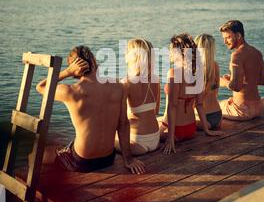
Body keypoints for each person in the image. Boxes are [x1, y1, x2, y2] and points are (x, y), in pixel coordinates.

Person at [35, 45, 145, 174]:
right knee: (64, 146)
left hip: (81, 161)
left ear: (75, 68)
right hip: (108, 158)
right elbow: (123, 124)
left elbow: (40, 87)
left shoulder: (71, 91)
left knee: (35, 154)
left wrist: (67, 72)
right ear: (94, 61)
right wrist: (129, 159)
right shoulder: (119, 87)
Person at [160, 33, 223, 155]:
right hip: (191, 129)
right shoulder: (198, 72)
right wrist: (207, 130)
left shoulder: (174, 72)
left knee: (148, 137)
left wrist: (170, 138)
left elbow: (172, 106)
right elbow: (199, 105)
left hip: (176, 131)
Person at [219, 20, 264, 121]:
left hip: (241, 111)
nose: (225, 42)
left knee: (212, 109)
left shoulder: (236, 55)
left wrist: (224, 82)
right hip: (258, 107)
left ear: (238, 35)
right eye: (224, 38)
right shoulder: (257, 52)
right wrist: (235, 78)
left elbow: (236, 87)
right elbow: (263, 80)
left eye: (228, 37)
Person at [120, 38, 160, 155]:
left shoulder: (126, 83)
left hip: (137, 142)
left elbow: (122, 121)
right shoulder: (155, 79)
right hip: (155, 139)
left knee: (104, 139)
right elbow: (156, 111)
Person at [194, 34, 222, 129]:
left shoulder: (197, 70)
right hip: (218, 116)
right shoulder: (215, 66)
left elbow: (198, 102)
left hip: (203, 119)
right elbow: (216, 92)